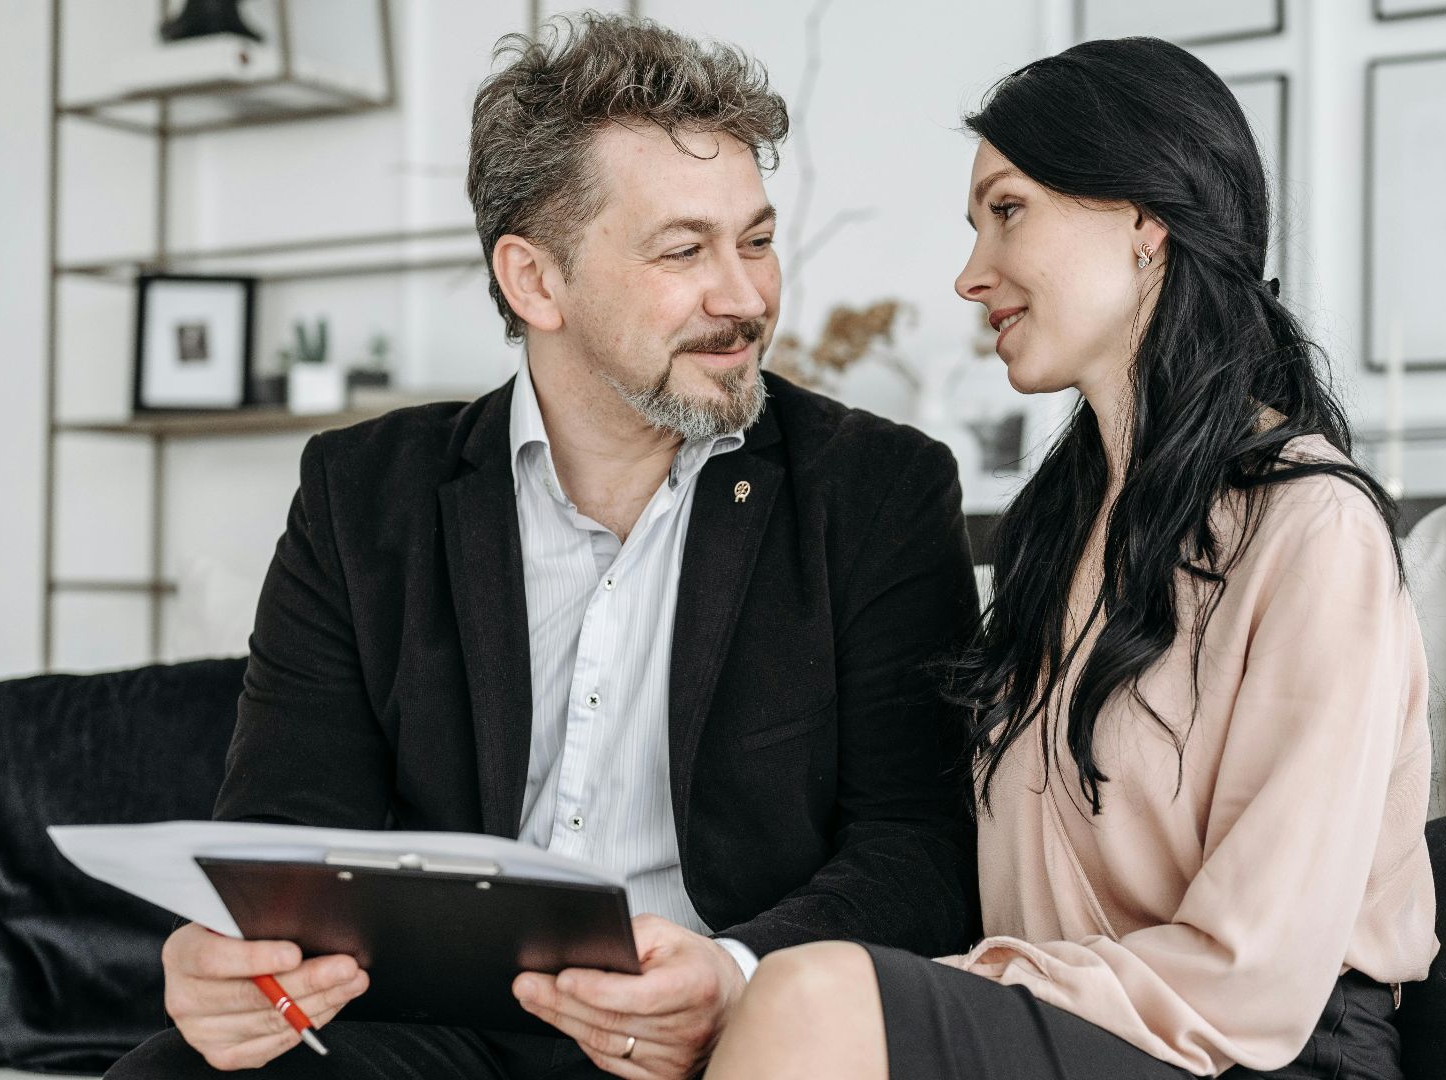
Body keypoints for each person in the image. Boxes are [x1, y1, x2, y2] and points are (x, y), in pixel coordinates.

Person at [104, 14, 978, 1080]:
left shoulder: (877, 490)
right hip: (424, 1036)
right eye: (683, 250)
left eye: (755, 239)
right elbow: (289, 840)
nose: (746, 296)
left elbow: (923, 850)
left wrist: (738, 974)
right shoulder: (362, 495)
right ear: (535, 281)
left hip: (713, 1039)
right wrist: (234, 965)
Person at [703, 36, 1440, 1080]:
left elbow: (1257, 970)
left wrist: (964, 988)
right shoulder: (1060, 532)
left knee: (814, 999)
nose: (969, 276)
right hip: (1077, 1028)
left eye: (1007, 212)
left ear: (1144, 219)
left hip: (1261, 1054)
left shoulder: (1314, 530)